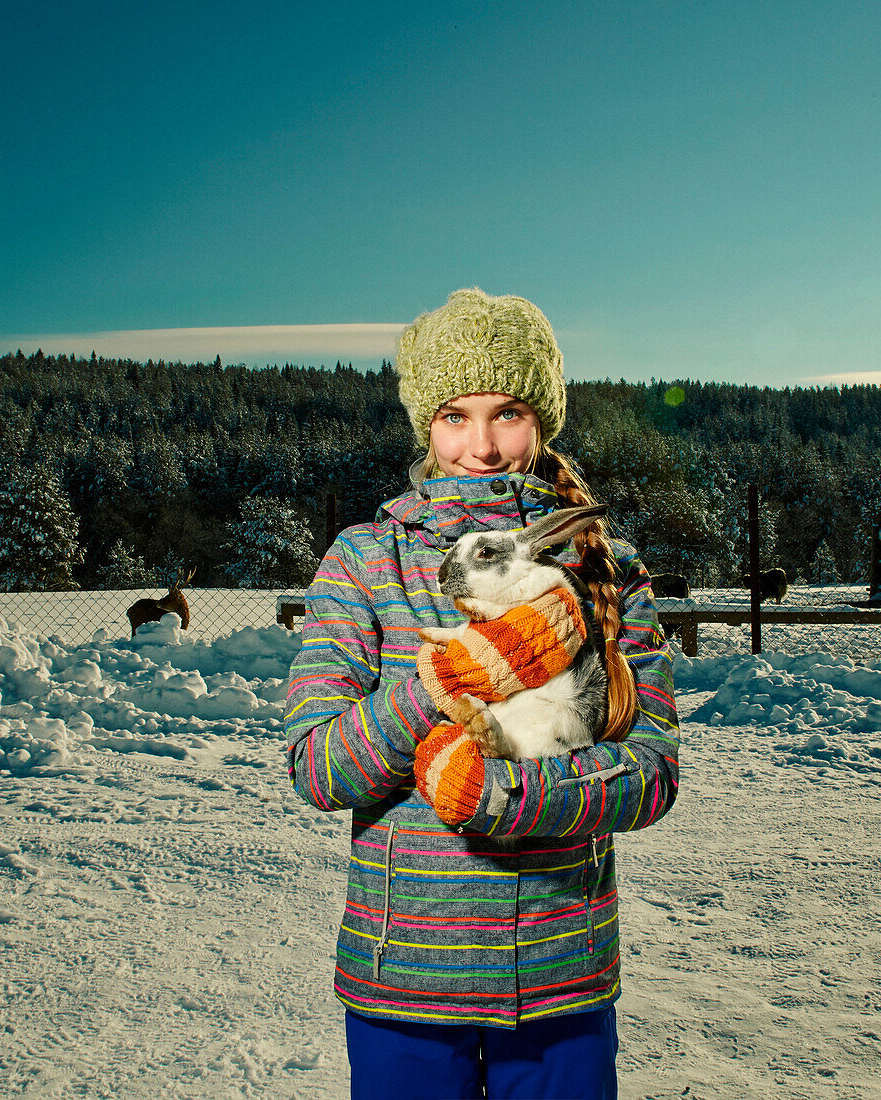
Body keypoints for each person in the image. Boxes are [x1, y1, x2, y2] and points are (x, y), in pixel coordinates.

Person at [284, 288, 680, 1100]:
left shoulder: (606, 566)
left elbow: (650, 771)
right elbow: (319, 769)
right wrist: (443, 681)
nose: (484, 445)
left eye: (508, 414)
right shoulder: (366, 560)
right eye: (455, 417)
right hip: (407, 982)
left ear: (544, 422)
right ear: (425, 426)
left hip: (560, 974)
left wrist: (500, 792)